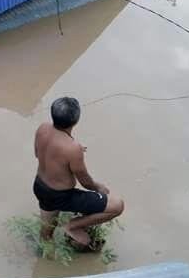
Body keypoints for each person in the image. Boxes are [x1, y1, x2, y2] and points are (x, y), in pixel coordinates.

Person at [33, 97, 124, 247]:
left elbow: (38, 153)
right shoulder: (73, 149)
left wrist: (69, 149)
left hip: (40, 187)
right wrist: (99, 188)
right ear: (76, 120)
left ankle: (45, 258)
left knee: (46, 233)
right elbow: (85, 181)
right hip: (62, 196)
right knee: (117, 205)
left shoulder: (42, 128)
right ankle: (72, 226)